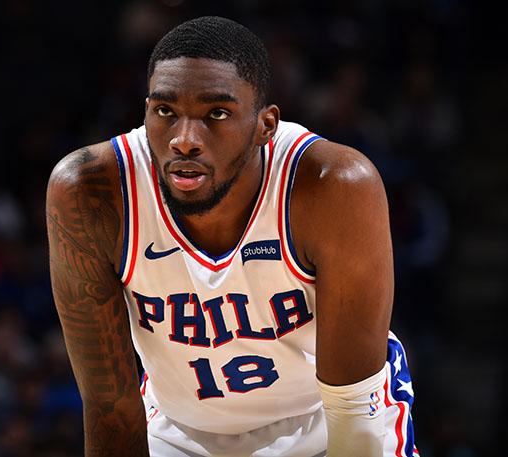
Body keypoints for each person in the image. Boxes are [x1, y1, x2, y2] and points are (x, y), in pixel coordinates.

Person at [46, 16, 419, 457]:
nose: (185, 140)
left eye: (216, 114)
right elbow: (110, 407)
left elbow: (353, 406)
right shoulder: (92, 192)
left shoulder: (333, 186)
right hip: (177, 429)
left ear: (266, 125)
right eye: (165, 111)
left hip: (323, 420)